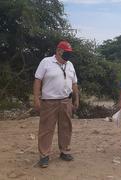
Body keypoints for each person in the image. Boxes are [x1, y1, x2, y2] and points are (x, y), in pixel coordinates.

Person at [33, 40, 79, 168]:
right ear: (59, 51)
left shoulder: (70, 65)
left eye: (70, 53)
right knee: (46, 129)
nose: (68, 56)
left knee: (66, 127)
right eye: (66, 53)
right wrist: (36, 98)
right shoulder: (46, 62)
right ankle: (44, 156)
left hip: (66, 101)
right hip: (49, 102)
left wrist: (76, 99)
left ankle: (64, 151)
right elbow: (38, 80)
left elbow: (74, 83)